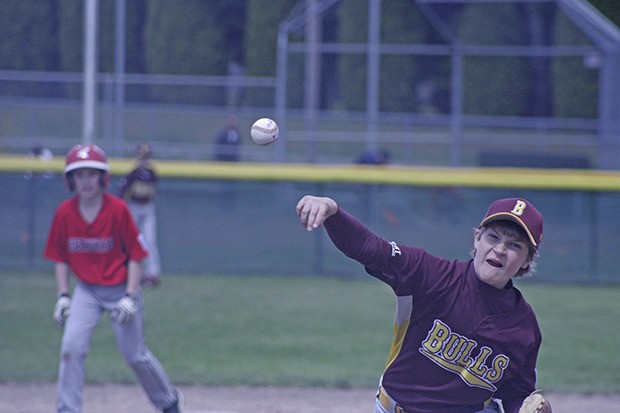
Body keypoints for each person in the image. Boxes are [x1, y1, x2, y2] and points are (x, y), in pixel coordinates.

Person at [296, 195, 548, 413]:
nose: (500, 249)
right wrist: (333, 212)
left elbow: (516, 393)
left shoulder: (523, 329)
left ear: (527, 260)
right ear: (476, 239)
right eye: (493, 237)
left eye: (514, 245)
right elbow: (372, 249)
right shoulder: (431, 275)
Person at [44, 144, 182, 413]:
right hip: (87, 291)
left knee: (135, 355)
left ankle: (169, 403)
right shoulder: (64, 213)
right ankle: (67, 408)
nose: (85, 181)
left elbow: (136, 255)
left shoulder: (118, 209)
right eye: (79, 174)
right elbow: (60, 257)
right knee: (70, 348)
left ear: (102, 177)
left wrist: (131, 297)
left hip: (120, 288)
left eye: (91, 174)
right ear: (70, 179)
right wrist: (62, 296)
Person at [118, 142, 161, 287]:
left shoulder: (152, 172)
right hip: (134, 207)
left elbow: (153, 187)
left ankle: (152, 274)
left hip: (147, 206)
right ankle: (136, 273)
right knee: (134, 240)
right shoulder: (133, 173)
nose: (144, 159)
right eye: (142, 156)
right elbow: (122, 191)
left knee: (150, 240)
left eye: (147, 156)